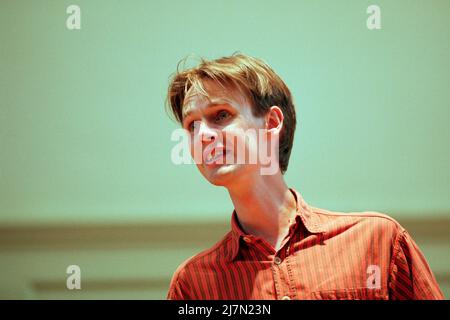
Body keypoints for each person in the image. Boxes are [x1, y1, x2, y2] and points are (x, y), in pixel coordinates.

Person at [164, 53, 443, 300]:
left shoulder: (378, 242)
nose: (203, 136)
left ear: (271, 124)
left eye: (221, 115)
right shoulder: (193, 284)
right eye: (192, 126)